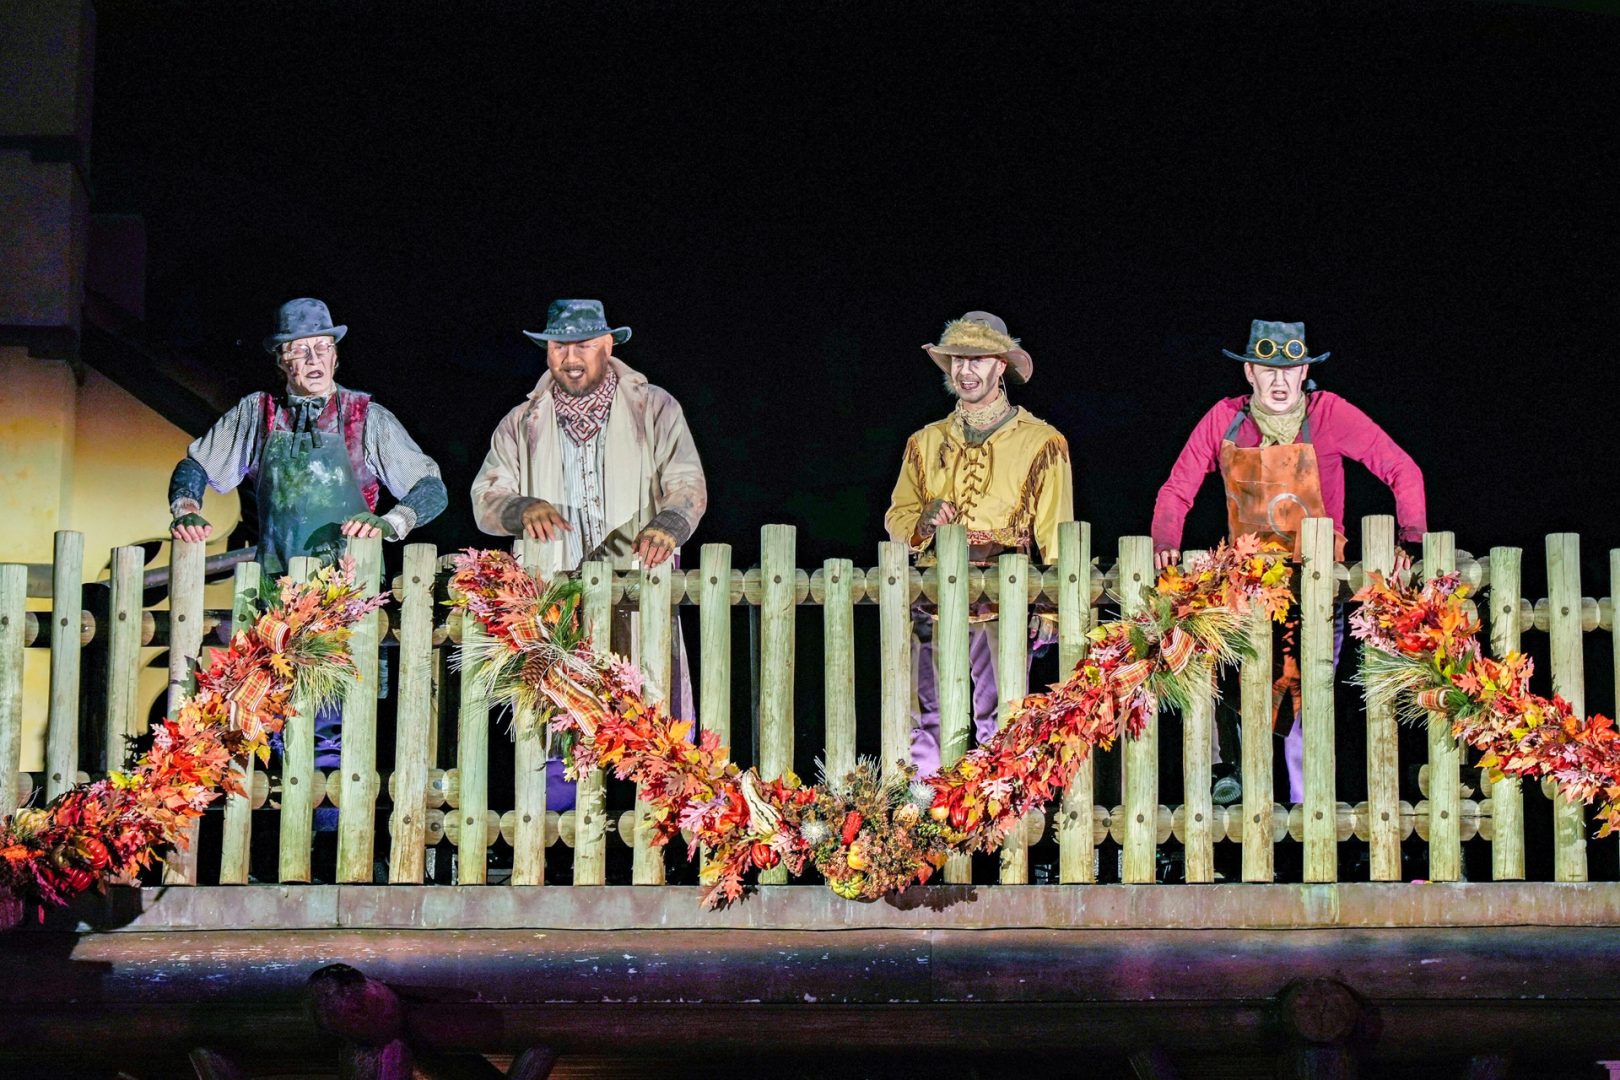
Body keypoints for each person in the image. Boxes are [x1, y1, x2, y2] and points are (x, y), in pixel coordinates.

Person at [1150, 319, 1426, 803]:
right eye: (1266, 368)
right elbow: (1177, 488)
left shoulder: (1329, 414)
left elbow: (1402, 468)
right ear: (1249, 373)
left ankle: (1306, 811)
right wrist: (1165, 540)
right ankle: (1237, 798)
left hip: (1314, 588)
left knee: (1304, 702)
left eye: (1289, 369)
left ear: (1303, 373)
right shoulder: (1225, 419)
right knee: (1237, 695)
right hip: (1247, 590)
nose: (1278, 381)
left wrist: (1412, 538)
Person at [168, 297, 447, 770]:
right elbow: (196, 464)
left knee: (336, 737)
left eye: (323, 348)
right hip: (275, 601)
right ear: (281, 361)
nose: (315, 361)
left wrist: (390, 522)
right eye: (301, 351)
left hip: (347, 604)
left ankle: (331, 834)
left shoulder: (365, 418)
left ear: (337, 355)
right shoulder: (258, 415)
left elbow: (431, 487)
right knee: (273, 729)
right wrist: (187, 507)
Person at [472, 299, 707, 809]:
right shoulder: (521, 423)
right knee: (561, 724)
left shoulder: (654, 407)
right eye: (559, 346)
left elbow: (686, 480)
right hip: (555, 605)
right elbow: (485, 498)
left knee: (651, 715)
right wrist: (520, 507)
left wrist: (670, 521)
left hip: (637, 593)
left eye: (582, 345)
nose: (569, 357)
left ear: (608, 345)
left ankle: (656, 835)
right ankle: (557, 846)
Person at [885, 311, 1073, 776]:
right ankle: (925, 812)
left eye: (978, 360)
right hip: (932, 593)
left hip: (1003, 593)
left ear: (1000, 366)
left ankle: (997, 809)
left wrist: (1049, 606)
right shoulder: (925, 442)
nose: (965, 371)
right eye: (957, 361)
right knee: (926, 717)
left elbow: (1055, 532)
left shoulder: (1041, 442)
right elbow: (897, 516)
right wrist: (924, 521)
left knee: (1001, 715)